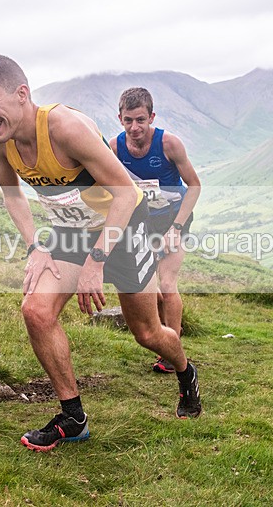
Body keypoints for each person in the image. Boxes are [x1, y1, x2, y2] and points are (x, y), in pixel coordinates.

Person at [0, 55, 202, 451]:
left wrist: (97, 260)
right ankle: (73, 417)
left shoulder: (64, 128)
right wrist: (35, 247)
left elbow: (127, 191)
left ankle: (184, 370)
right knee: (36, 311)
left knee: (147, 332)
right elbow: (12, 193)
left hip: (123, 227)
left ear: (21, 94)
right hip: (71, 230)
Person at [109, 87, 201, 374]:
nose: (134, 128)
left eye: (140, 120)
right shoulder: (114, 147)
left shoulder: (169, 144)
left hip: (174, 218)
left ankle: (173, 355)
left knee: (167, 283)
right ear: (120, 118)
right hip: (142, 224)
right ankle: (165, 338)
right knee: (149, 288)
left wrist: (176, 228)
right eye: (128, 121)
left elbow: (195, 186)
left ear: (151, 117)